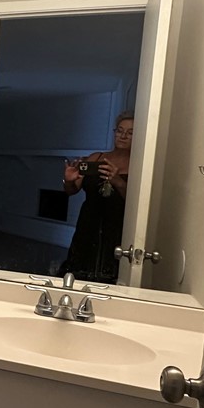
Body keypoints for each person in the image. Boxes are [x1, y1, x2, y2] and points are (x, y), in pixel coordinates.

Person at [58, 112, 134, 284]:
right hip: (88, 221)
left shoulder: (138, 164)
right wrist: (68, 180)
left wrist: (117, 180)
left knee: (110, 274)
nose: (123, 135)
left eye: (130, 132)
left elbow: (137, 203)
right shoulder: (96, 158)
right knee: (78, 271)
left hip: (117, 225)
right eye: (119, 130)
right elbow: (71, 190)